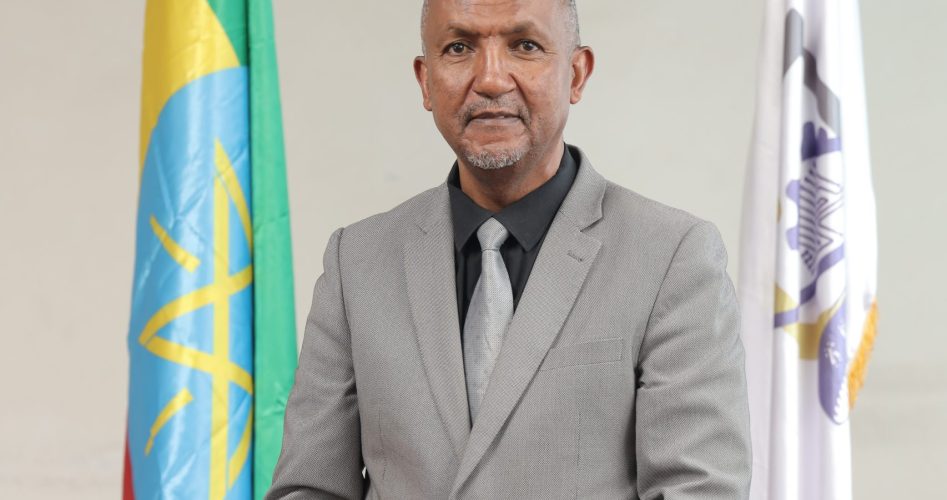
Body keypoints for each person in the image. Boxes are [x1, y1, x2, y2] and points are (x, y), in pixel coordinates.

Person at [265, 0, 751, 498]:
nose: (492, 79)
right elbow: (310, 488)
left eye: (525, 45)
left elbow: (699, 489)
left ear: (577, 74)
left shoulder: (672, 257)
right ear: (425, 81)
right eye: (459, 47)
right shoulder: (356, 262)